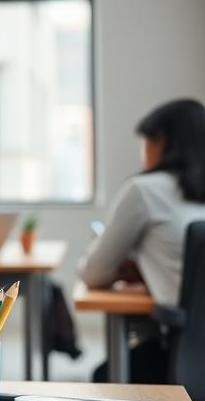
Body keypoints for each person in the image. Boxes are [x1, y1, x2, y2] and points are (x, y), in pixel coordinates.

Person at [80, 98, 205, 382]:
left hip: (187, 355)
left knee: (105, 377)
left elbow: (93, 273)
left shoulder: (144, 190)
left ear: (160, 142)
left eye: (146, 140)